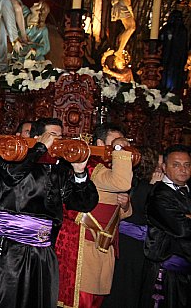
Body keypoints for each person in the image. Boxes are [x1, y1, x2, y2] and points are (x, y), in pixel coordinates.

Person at [0, 117, 99, 308]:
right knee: (5, 300)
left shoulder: (60, 169)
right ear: (38, 137)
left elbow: (83, 204)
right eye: (52, 136)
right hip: (12, 248)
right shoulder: (15, 156)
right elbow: (11, 176)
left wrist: (80, 173)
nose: (58, 141)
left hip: (43, 250)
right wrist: (39, 150)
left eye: (61, 136)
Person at [56, 123, 134, 308]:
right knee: (81, 302)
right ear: (100, 143)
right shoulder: (93, 169)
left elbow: (118, 213)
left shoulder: (111, 170)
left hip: (104, 250)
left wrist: (125, 204)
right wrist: (120, 148)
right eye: (114, 142)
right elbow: (122, 183)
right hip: (84, 249)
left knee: (96, 302)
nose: (119, 147)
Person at [103, 148, 163, 308]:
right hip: (135, 245)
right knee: (129, 287)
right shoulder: (149, 189)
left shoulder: (129, 183)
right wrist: (156, 187)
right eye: (160, 164)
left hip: (122, 241)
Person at [140, 144, 191, 308]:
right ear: (164, 167)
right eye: (176, 165)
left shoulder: (187, 191)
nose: (183, 169)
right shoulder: (159, 195)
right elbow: (183, 229)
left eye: (187, 165)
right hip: (167, 273)